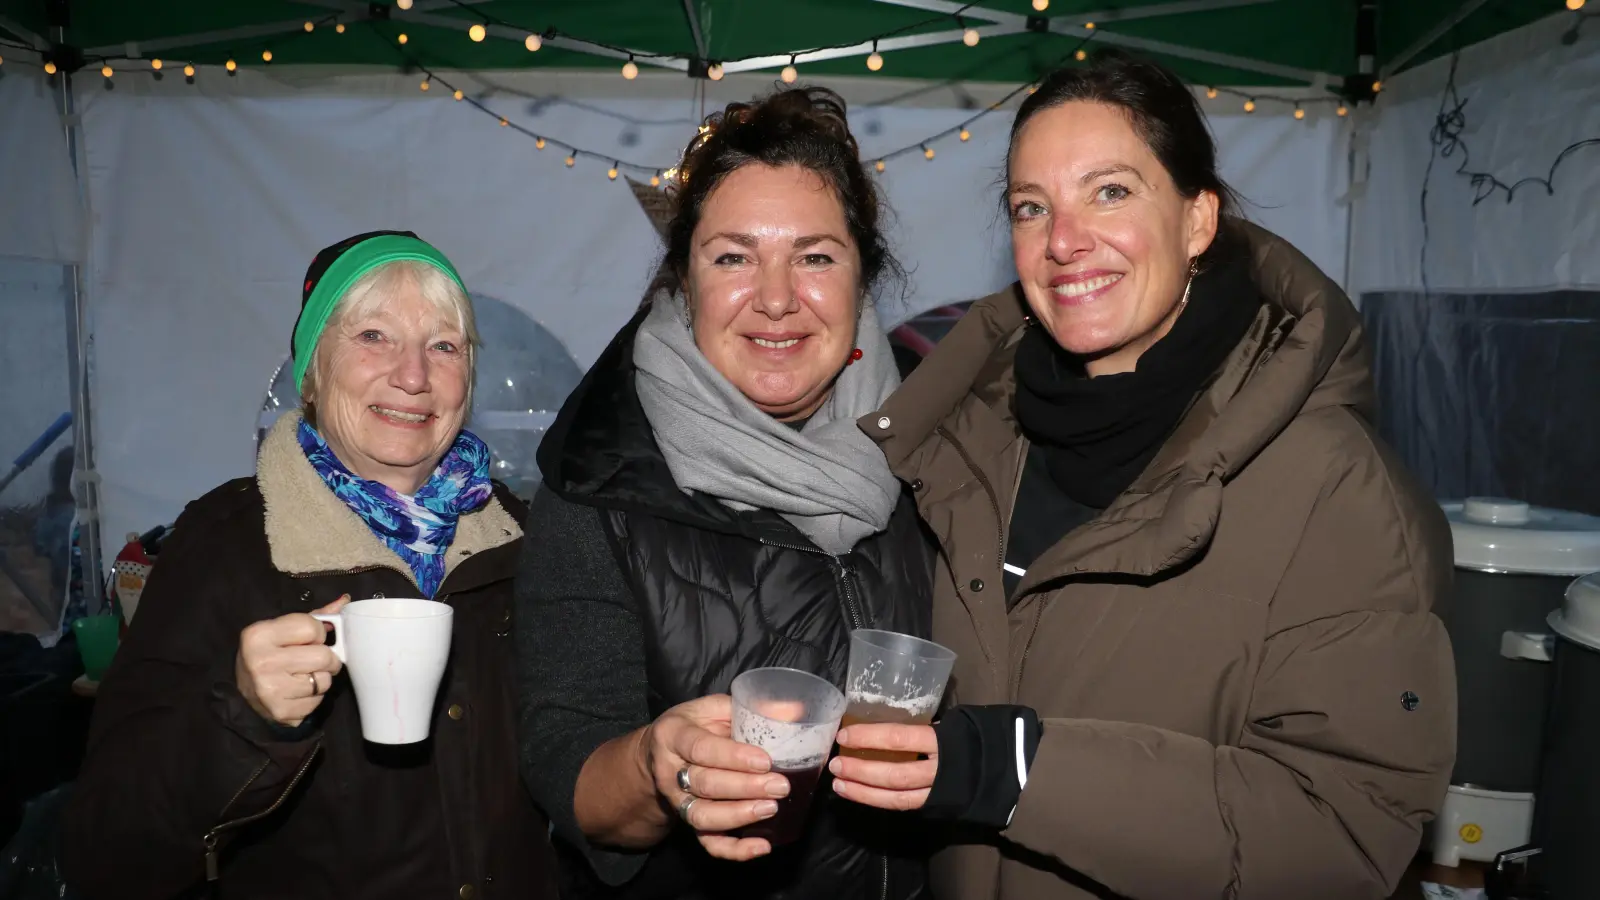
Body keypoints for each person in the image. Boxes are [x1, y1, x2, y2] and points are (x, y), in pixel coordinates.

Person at [829, 50, 1457, 900]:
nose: (1062, 241)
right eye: (1030, 207)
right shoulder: (969, 444)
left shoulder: (1333, 486)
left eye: (1111, 191)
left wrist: (1022, 771)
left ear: (1199, 220)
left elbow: (1341, 829)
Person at [516, 87, 935, 900]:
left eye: (815, 256)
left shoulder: (940, 441)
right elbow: (563, 757)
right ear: (683, 279)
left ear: (863, 276)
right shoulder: (600, 479)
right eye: (732, 256)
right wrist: (651, 767)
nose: (776, 298)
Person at [61, 231, 559, 900]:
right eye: (373, 336)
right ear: (314, 370)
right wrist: (244, 718)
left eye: (444, 345)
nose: (413, 375)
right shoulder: (227, 543)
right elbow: (102, 848)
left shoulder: (521, 537)